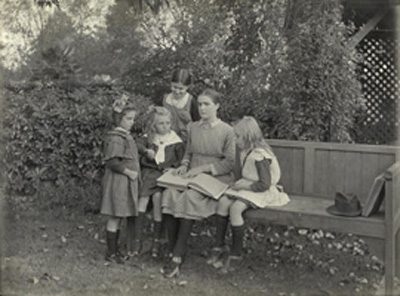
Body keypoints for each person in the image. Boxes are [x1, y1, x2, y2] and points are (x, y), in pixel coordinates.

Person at [160, 88, 236, 277]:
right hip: (191, 175)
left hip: (215, 177)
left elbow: (229, 162)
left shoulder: (227, 130)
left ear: (217, 106)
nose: (202, 108)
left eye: (206, 104)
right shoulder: (193, 127)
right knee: (169, 193)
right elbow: (188, 152)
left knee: (190, 197)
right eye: (200, 104)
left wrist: (202, 169)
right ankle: (172, 248)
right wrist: (184, 166)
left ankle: (177, 256)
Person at [213, 116, 290, 273]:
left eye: (238, 137)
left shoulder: (260, 155)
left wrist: (246, 185)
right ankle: (219, 245)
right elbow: (242, 173)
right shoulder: (243, 151)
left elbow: (265, 184)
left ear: (249, 137)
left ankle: (236, 254)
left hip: (262, 190)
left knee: (235, 208)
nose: (235, 140)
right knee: (223, 202)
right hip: (247, 187)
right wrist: (237, 183)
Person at [132, 106, 185, 258]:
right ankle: (137, 239)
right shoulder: (150, 137)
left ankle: (157, 241)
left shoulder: (175, 140)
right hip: (150, 172)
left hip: (164, 175)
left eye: (168, 123)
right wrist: (146, 151)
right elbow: (137, 144)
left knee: (158, 199)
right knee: (142, 198)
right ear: (154, 125)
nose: (165, 126)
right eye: (161, 123)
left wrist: (174, 169)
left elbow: (180, 160)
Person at [100, 94, 141, 264]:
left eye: (133, 119)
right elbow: (112, 162)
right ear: (119, 119)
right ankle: (111, 252)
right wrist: (129, 173)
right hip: (118, 182)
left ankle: (115, 250)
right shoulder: (116, 138)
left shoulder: (125, 135)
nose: (132, 122)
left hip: (124, 184)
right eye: (129, 119)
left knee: (119, 216)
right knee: (115, 216)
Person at [162, 68, 200, 140]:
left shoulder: (191, 102)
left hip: (186, 141)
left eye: (181, 88)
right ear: (171, 83)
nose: (177, 91)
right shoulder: (165, 99)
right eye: (174, 87)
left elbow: (198, 124)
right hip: (167, 138)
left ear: (187, 87)